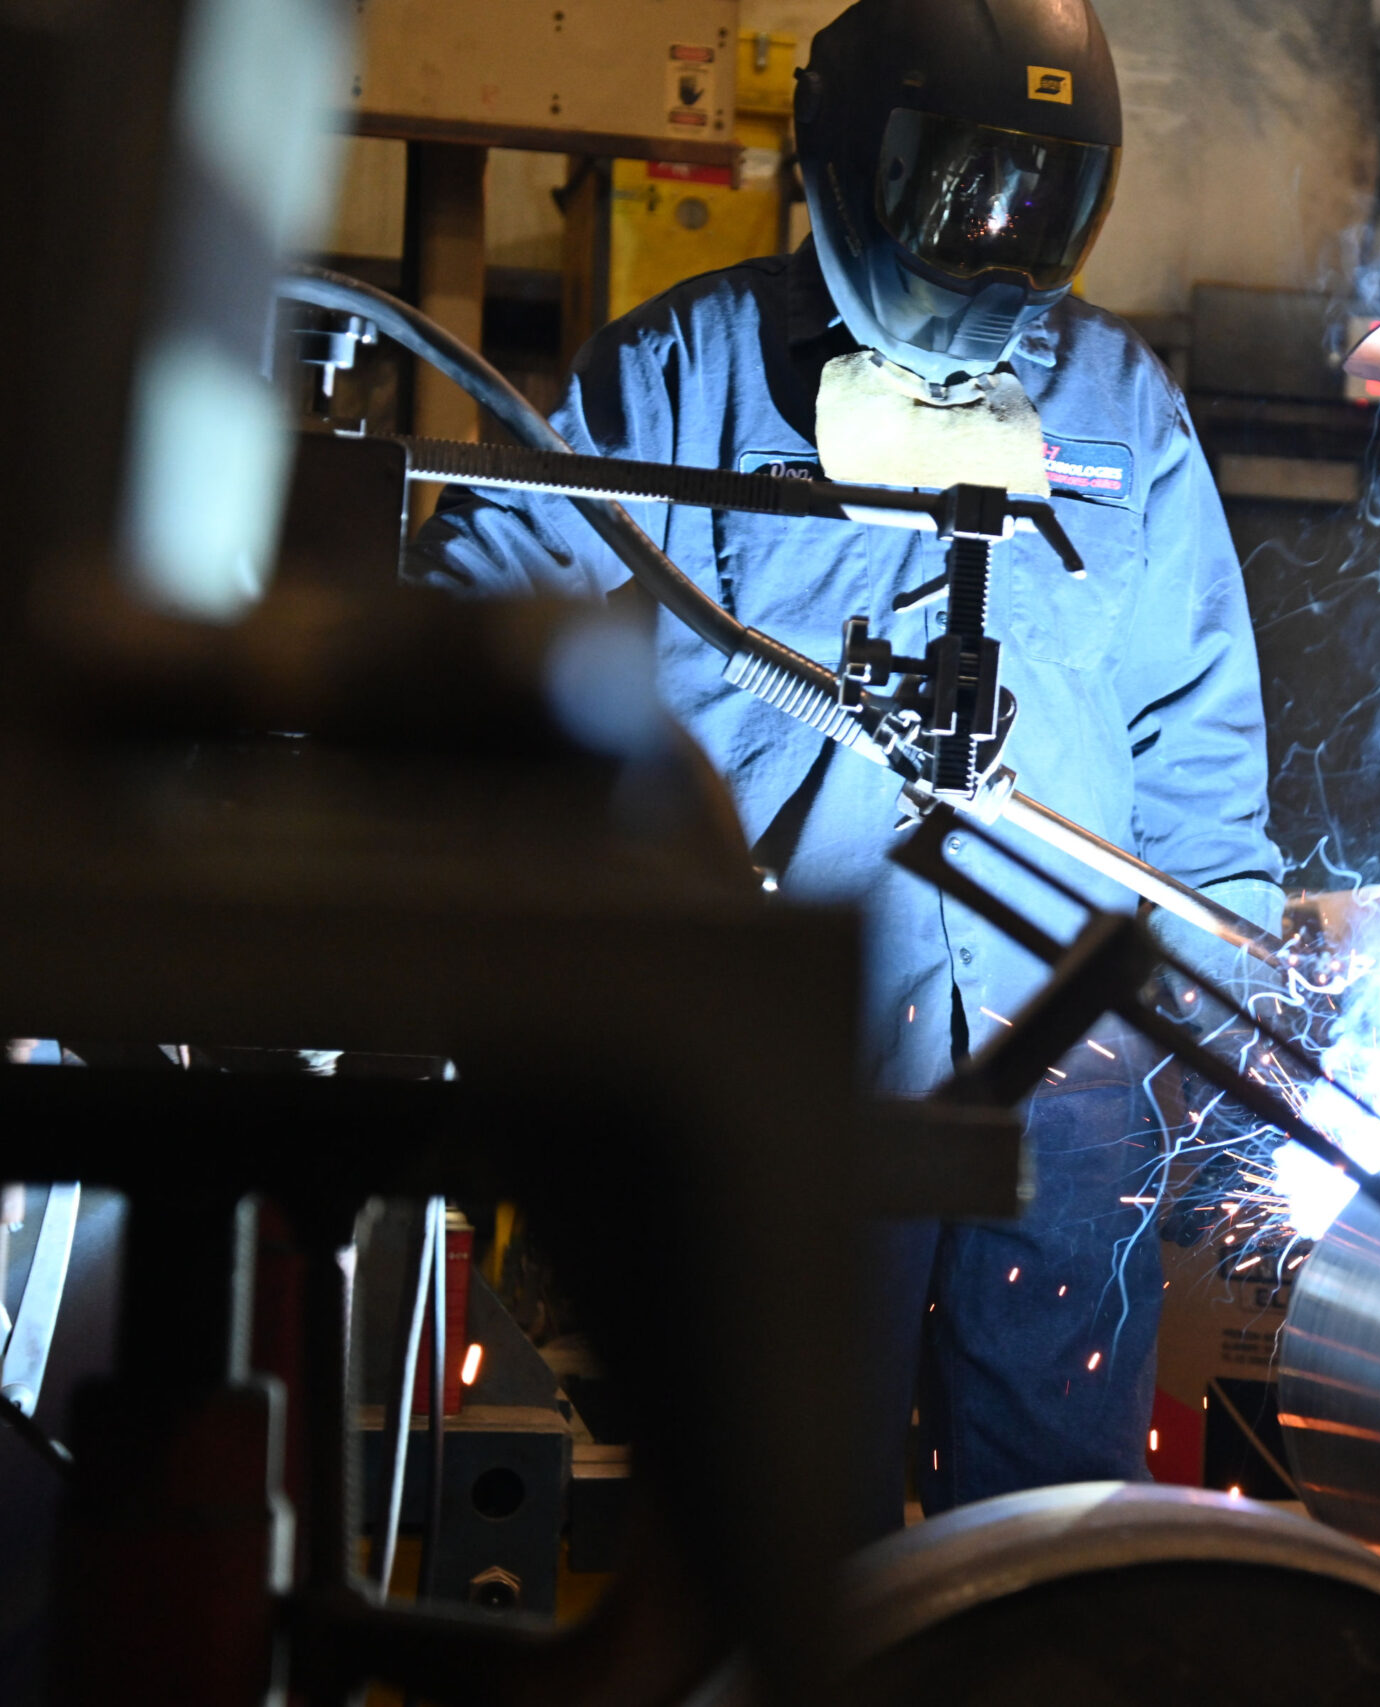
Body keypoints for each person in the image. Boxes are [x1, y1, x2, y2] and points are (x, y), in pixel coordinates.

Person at [410, 0, 1281, 1534]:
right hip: (793, 1070)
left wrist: (1229, 1014)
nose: (997, 246)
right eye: (963, 190)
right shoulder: (691, 371)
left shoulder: (1117, 409)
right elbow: (484, 586)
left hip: (1067, 1084)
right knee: (779, 1528)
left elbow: (1196, 738)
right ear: (852, 162)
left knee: (1050, 1535)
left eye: (1038, 202)